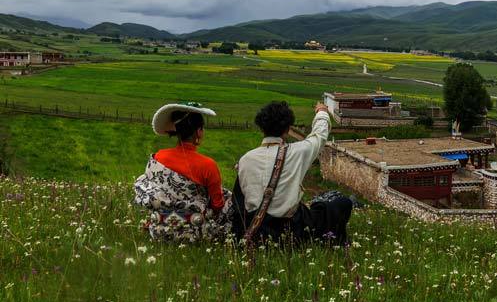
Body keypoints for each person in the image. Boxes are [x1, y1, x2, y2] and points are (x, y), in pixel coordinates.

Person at [233, 101, 352, 245]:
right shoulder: (297, 152)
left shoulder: (246, 159)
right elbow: (319, 136)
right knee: (342, 203)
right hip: (292, 229)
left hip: (257, 231)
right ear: (288, 129)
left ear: (262, 128)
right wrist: (321, 111)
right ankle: (336, 244)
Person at [134, 102, 232, 242]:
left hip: (159, 230)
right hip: (196, 233)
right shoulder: (208, 165)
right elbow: (218, 205)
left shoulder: (158, 156)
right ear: (198, 131)